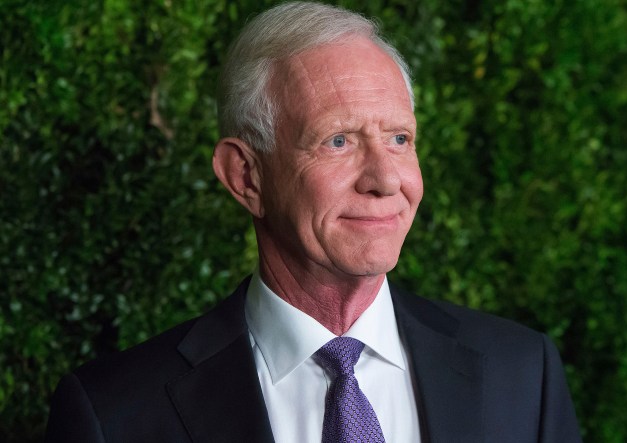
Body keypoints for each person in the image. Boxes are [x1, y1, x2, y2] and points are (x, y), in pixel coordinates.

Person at [45, 2, 582, 442]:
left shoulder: (521, 373)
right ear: (246, 176)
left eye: (399, 139)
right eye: (339, 141)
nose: (386, 179)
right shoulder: (113, 416)